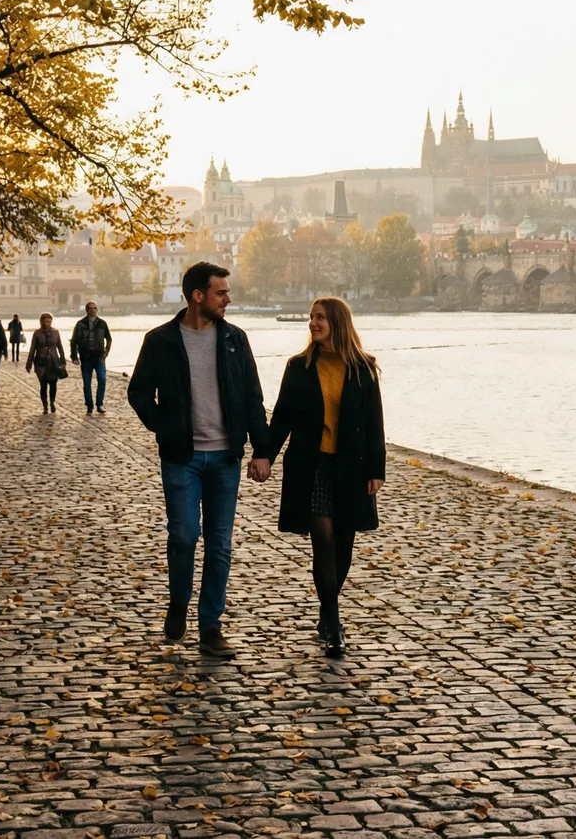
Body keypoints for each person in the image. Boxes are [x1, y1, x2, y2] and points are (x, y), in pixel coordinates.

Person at [126, 263, 271, 656]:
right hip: (182, 458)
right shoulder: (161, 340)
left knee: (220, 544)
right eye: (221, 292)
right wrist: (165, 427)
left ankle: (210, 627)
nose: (228, 298)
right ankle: (178, 602)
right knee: (185, 535)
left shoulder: (235, 340)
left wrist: (262, 450)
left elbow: (253, 397)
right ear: (197, 296)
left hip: (225, 457)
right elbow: (138, 392)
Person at [267, 297, 385, 658]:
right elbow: (283, 416)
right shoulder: (299, 366)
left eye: (319, 318)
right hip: (311, 464)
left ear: (337, 322)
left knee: (344, 548)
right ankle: (334, 625)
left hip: (351, 466)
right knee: (324, 539)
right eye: (311, 317)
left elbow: (374, 422)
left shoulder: (363, 368)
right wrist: (264, 456)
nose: (312, 323)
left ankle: (325, 609)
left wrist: (376, 470)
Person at [71, 300, 113, 416]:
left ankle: (100, 404)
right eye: (90, 308)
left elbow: (109, 339)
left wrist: (106, 352)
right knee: (87, 382)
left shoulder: (102, 323)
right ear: (87, 310)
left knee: (102, 379)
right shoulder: (80, 324)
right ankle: (89, 406)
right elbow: (74, 341)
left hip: (99, 357)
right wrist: (74, 356)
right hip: (86, 357)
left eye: (94, 308)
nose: (92, 310)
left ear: (97, 309)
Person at [26, 312, 66, 413]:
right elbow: (32, 348)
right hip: (40, 362)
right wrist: (29, 363)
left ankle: (52, 401)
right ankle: (45, 405)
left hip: (53, 362)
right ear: (42, 321)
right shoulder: (37, 333)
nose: (47, 322)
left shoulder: (55, 332)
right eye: (46, 320)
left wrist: (63, 361)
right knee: (43, 385)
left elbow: (60, 347)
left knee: (53, 384)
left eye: (49, 320)